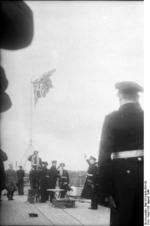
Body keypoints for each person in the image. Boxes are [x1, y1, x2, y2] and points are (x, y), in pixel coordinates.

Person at [98, 81, 143, 226]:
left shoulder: (112, 118)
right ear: (137, 97)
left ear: (120, 96)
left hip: (121, 180)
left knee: (122, 220)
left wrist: (105, 191)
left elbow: (104, 157)